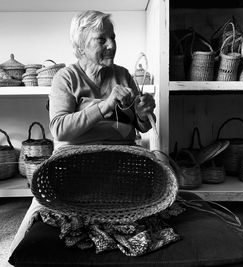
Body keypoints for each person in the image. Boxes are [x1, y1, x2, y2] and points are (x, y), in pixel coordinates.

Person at [9, 10, 156, 256]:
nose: (111, 45)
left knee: (148, 205)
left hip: (121, 161)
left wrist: (143, 113)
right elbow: (60, 128)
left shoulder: (122, 75)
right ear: (80, 47)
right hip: (75, 164)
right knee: (39, 222)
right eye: (101, 39)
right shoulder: (65, 78)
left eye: (113, 37)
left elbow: (142, 126)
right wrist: (106, 104)